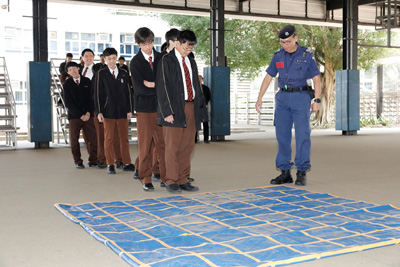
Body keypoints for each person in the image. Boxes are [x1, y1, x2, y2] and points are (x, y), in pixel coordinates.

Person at [255, 25, 321, 186]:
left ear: (296, 38)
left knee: (302, 135)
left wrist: (317, 100)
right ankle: (285, 172)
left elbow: (317, 79)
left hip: (300, 97)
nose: (285, 45)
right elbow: (268, 77)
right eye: (282, 42)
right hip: (282, 98)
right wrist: (260, 97)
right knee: (282, 135)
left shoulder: (307, 55)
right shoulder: (278, 56)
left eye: (288, 41)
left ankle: (301, 171)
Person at [156, 30, 208, 193]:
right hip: (174, 108)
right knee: (172, 146)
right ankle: (171, 180)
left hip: (191, 107)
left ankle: (183, 179)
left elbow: (196, 87)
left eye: (190, 50)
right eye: (185, 48)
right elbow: (162, 88)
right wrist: (167, 112)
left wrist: (201, 110)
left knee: (187, 146)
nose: (187, 52)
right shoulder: (166, 60)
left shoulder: (191, 62)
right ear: (177, 42)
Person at [130, 27, 166, 192]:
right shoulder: (135, 62)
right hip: (144, 109)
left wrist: (152, 84)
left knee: (163, 144)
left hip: (161, 108)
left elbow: (166, 84)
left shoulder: (161, 58)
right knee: (145, 146)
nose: (148, 47)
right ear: (138, 44)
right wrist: (157, 86)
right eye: (144, 44)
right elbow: (139, 89)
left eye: (150, 42)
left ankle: (165, 176)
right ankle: (145, 178)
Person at [94, 47, 135, 174]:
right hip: (108, 111)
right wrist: (99, 111)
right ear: (104, 59)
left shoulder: (123, 72)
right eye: (109, 59)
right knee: (109, 139)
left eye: (113, 58)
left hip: (123, 111)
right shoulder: (101, 73)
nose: (112, 61)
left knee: (124, 138)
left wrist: (129, 110)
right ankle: (110, 163)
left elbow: (128, 93)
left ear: (117, 58)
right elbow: (97, 94)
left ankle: (126, 162)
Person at [80, 48, 123, 169]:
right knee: (91, 137)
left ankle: (108, 159)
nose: (88, 58)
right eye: (86, 56)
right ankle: (95, 158)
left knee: (108, 135)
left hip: (102, 108)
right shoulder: (78, 70)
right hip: (87, 108)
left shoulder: (100, 70)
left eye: (90, 56)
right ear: (82, 58)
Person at [63, 61, 97, 169]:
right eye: (70, 70)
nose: (72, 71)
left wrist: (87, 113)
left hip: (88, 115)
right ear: (68, 72)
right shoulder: (67, 84)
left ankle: (93, 160)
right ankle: (78, 161)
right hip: (74, 117)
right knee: (74, 140)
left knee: (93, 138)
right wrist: (80, 114)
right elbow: (68, 103)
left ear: (78, 68)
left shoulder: (87, 81)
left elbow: (92, 99)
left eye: (74, 68)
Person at [196, 75, 211, 143]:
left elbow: (209, 96)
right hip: (196, 107)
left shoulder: (206, 88)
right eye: (198, 79)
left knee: (205, 123)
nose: (199, 80)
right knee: (196, 123)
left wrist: (205, 103)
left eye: (200, 79)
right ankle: (194, 139)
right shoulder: (194, 87)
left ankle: (206, 138)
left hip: (204, 107)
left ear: (202, 80)